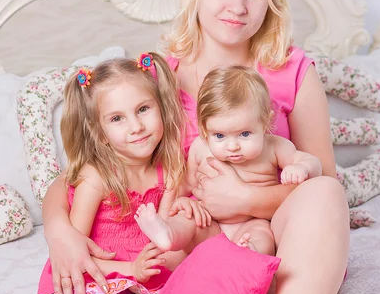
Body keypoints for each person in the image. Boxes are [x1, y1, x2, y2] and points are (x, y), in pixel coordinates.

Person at [29, 0, 380, 294]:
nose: (237, 5)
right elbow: (85, 168)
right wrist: (59, 231)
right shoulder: (160, 75)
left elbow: (322, 187)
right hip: (197, 236)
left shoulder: (292, 69)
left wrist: (243, 201)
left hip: (279, 229)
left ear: (270, 1)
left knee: (312, 204)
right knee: (226, 261)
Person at [0, 54, 207, 294]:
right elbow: (76, 256)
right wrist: (131, 268)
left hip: (133, 283)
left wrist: (188, 209)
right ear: (100, 133)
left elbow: (165, 242)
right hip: (87, 280)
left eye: (143, 109)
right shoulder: (96, 177)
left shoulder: (170, 169)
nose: (136, 126)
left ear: (161, 109)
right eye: (117, 118)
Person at [136, 65, 321, 256]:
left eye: (245, 134)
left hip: (252, 221)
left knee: (263, 236)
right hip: (209, 222)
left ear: (265, 122)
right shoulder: (200, 147)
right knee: (188, 218)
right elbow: (186, 184)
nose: (232, 146)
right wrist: (179, 203)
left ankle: (250, 254)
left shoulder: (274, 147)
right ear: (204, 129)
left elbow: (315, 165)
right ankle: (167, 234)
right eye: (219, 136)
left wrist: (302, 167)